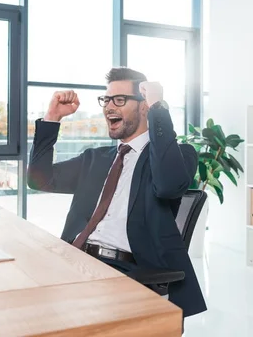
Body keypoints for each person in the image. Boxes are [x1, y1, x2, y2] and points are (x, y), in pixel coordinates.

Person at [27, 67, 207, 320]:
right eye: (106, 100)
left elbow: (167, 186)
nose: (109, 107)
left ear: (144, 106)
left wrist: (159, 107)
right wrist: (51, 119)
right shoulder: (96, 158)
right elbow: (39, 180)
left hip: (125, 270)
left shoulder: (177, 157)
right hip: (75, 258)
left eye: (119, 100)